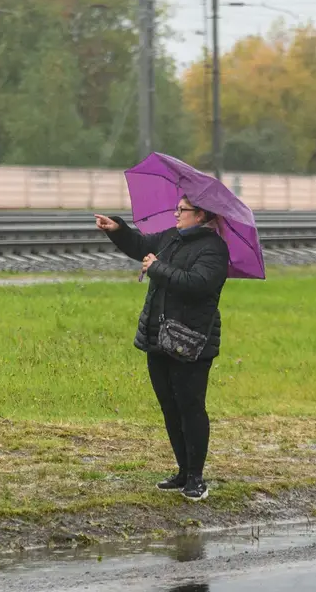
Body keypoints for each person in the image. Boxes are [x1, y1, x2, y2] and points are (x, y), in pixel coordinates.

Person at [95, 196, 229, 501]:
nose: (176, 213)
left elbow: (198, 284)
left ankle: (196, 477)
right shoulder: (171, 237)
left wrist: (157, 269)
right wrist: (117, 229)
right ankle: (182, 471)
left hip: (190, 341)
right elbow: (141, 246)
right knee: (170, 407)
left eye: (182, 210)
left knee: (190, 408)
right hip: (158, 338)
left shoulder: (214, 248)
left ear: (201, 215)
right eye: (178, 209)